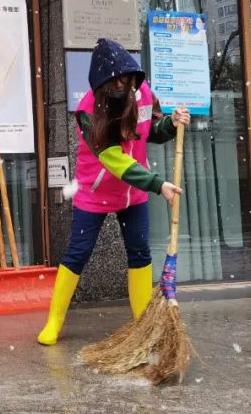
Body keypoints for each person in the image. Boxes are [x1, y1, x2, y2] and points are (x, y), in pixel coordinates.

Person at [37, 38, 190, 346]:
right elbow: (114, 158)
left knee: (139, 253)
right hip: (95, 192)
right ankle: (54, 319)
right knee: (78, 253)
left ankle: (142, 324)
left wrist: (171, 124)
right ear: (103, 85)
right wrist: (157, 183)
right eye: (118, 81)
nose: (126, 87)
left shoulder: (144, 94)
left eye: (129, 79)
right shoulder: (87, 112)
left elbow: (151, 133)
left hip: (133, 195)